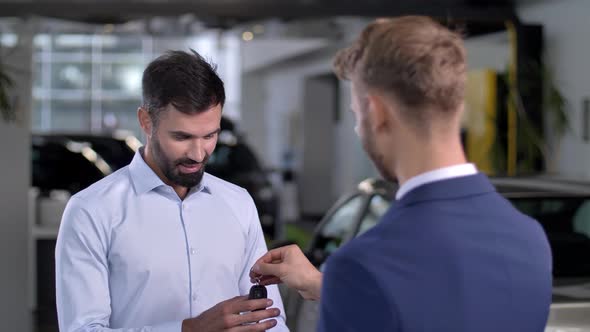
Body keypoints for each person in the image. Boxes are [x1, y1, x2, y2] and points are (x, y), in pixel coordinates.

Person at [250, 16, 552, 331]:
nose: (358, 128)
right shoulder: (530, 237)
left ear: (377, 113)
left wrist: (346, 286)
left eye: (356, 115)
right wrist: (329, 287)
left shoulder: (364, 264)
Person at [55, 50, 288, 332]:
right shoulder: (91, 211)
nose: (198, 153)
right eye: (182, 136)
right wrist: (188, 329)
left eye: (210, 135)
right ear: (146, 122)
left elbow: (268, 321)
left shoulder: (238, 203)